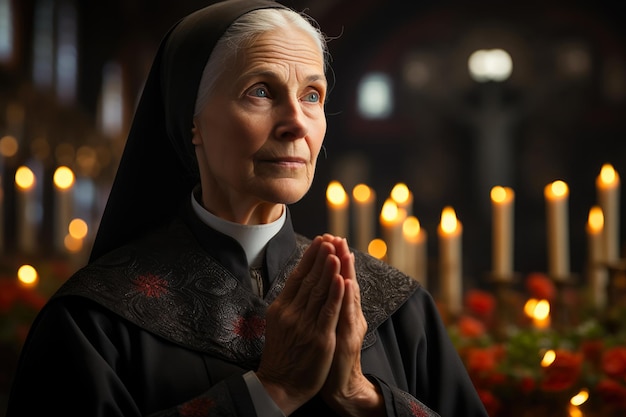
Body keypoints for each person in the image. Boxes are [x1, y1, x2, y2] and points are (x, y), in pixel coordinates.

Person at [7, 0, 488, 416]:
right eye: (260, 91)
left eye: (312, 95)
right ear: (190, 121)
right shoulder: (96, 319)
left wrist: (361, 396)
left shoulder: (393, 305)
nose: (296, 123)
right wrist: (271, 392)